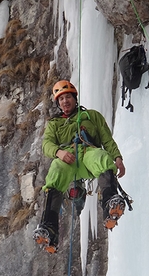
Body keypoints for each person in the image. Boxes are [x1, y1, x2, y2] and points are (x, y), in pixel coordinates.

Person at [33, 80, 126, 253]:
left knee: (102, 157)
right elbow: (47, 145)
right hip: (69, 157)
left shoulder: (92, 116)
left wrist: (117, 157)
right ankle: (49, 227)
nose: (65, 101)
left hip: (88, 151)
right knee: (56, 171)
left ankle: (110, 202)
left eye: (68, 97)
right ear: (58, 103)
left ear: (74, 98)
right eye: (61, 99)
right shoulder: (54, 124)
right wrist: (59, 153)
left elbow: (106, 139)